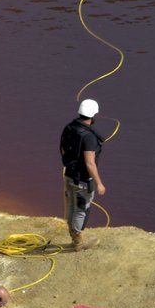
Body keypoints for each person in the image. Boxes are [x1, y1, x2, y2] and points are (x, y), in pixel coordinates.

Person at [59, 98, 106, 251]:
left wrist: (69, 165)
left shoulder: (69, 127)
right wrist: (99, 183)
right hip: (83, 180)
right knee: (81, 209)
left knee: (72, 205)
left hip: (69, 176)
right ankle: (77, 241)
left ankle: (74, 234)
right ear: (93, 115)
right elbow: (89, 163)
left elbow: (63, 150)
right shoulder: (89, 137)